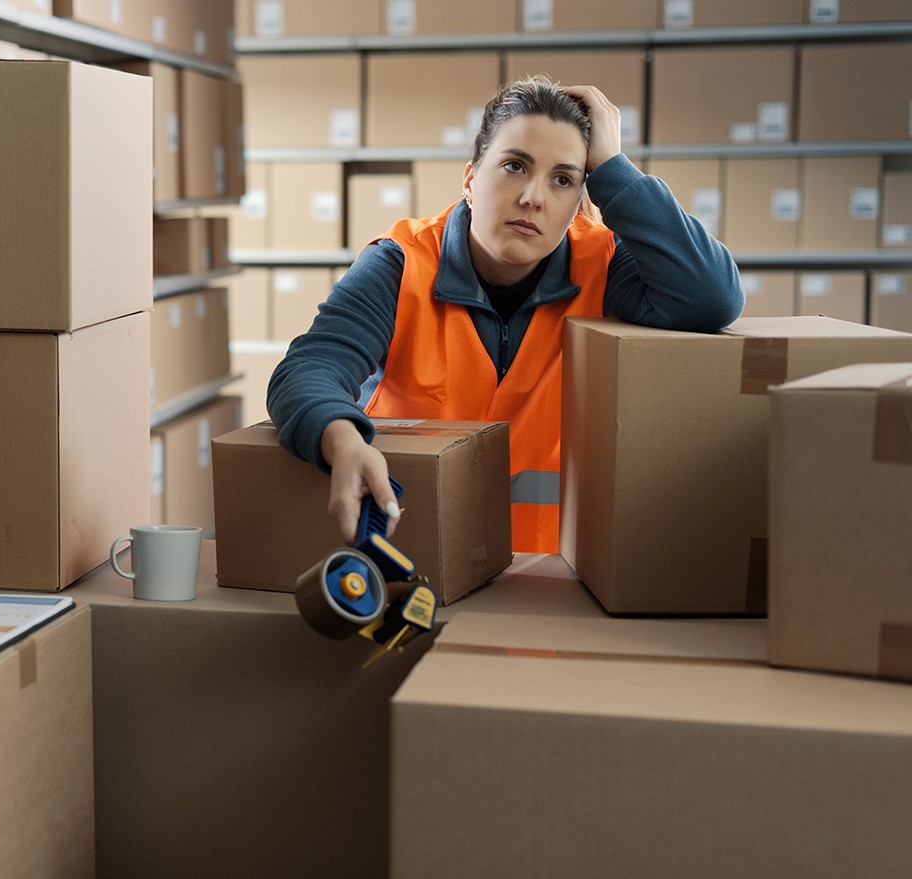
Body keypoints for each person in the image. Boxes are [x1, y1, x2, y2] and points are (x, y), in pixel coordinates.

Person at [266, 75, 744, 554]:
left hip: (545, 576)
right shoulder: (401, 263)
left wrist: (614, 170)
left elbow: (712, 298)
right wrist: (343, 440)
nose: (533, 197)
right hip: (404, 555)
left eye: (563, 180)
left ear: (581, 201)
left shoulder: (601, 263)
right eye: (515, 166)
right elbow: (309, 368)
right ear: (471, 179)